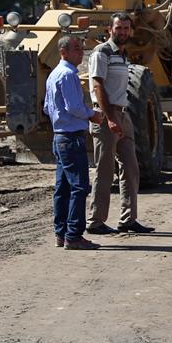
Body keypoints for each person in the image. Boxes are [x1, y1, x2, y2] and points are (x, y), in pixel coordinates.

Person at [86, 12, 155, 235]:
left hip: (123, 115)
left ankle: (128, 220)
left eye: (126, 28)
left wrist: (121, 119)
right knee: (104, 171)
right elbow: (98, 87)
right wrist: (110, 119)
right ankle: (95, 222)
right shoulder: (101, 53)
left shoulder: (123, 55)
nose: (123, 32)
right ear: (110, 30)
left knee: (131, 168)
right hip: (108, 116)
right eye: (119, 28)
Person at [45, 36, 104, 250]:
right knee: (79, 186)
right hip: (71, 138)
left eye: (81, 49)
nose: (81, 53)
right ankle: (74, 235)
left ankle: (61, 233)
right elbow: (73, 107)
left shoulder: (53, 74)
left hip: (59, 137)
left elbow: (46, 108)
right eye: (77, 49)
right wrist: (92, 115)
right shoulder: (68, 74)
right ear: (64, 52)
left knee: (63, 188)